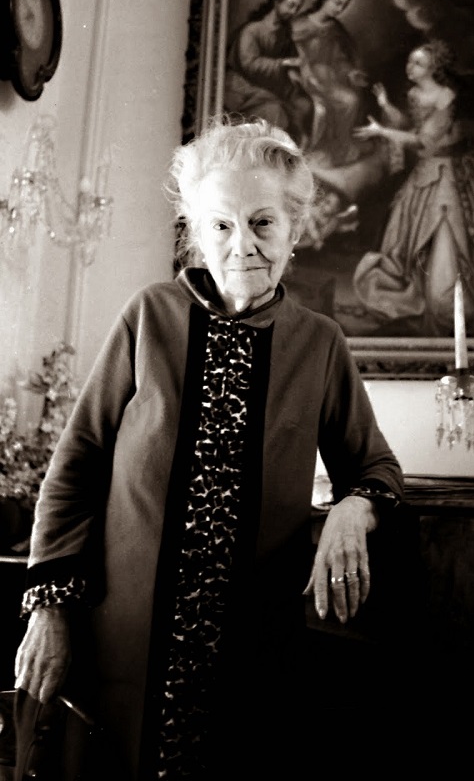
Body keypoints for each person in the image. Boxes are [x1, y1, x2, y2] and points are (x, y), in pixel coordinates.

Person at [13, 117, 404, 779]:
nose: (242, 244)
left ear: (295, 229)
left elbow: (375, 467)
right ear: (196, 231)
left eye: (263, 223)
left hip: (252, 657)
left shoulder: (320, 342)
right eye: (220, 225)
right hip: (123, 648)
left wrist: (353, 508)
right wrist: (48, 609)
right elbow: (76, 465)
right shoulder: (148, 317)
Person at [353, 39, 474, 335]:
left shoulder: (446, 95)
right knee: (407, 240)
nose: (410, 67)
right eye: (410, 61)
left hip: (449, 174)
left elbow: (424, 141)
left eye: (418, 63)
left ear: (434, 67)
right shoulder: (414, 93)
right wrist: (385, 106)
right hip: (426, 172)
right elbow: (410, 127)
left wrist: (381, 131)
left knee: (448, 234)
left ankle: (451, 299)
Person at [223, 0, 314, 146]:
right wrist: (282, 64)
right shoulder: (252, 30)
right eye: (290, 5)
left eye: (297, 8)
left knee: (304, 104)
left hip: (273, 84)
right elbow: (248, 64)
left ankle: (299, 149)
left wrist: (293, 72)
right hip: (244, 86)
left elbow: (292, 58)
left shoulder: (283, 32)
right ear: (276, 2)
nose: (293, 12)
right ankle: (272, 153)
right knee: (275, 109)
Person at [290, 0, 369, 167]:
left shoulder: (335, 28)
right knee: (320, 110)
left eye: (344, 6)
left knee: (351, 100)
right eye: (337, 3)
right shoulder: (299, 24)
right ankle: (311, 150)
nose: (339, 9)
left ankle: (338, 146)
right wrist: (304, 73)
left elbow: (339, 58)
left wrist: (351, 72)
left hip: (328, 79)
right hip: (303, 78)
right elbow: (289, 54)